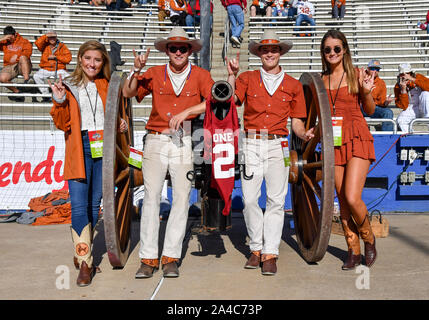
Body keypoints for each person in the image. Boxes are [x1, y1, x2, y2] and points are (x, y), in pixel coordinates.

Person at [123, 27, 215, 279]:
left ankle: (171, 257)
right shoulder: (152, 73)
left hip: (184, 140)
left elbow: (214, 100)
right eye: (172, 48)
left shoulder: (200, 75)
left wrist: (188, 112)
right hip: (155, 139)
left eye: (182, 48)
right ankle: (148, 258)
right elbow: (129, 93)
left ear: (189, 51)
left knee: (182, 199)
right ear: (166, 51)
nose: (177, 52)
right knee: (151, 198)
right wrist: (137, 71)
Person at [226, 30, 314, 275]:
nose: (269, 53)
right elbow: (232, 102)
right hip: (251, 142)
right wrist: (232, 76)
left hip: (279, 145)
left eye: (274, 49)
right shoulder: (247, 78)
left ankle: (270, 253)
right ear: (258, 53)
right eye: (265, 50)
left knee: (276, 201)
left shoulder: (294, 85)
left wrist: (304, 133)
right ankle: (255, 248)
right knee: (250, 199)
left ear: (280, 53)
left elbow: (296, 122)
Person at [49, 40, 127, 286]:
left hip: (102, 146)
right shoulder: (68, 86)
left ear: (103, 62)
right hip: (79, 146)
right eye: (88, 58)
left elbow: (117, 114)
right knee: (79, 205)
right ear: (80, 59)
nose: (92, 64)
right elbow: (62, 124)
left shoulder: (108, 85)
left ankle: (83, 252)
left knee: (95, 203)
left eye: (98, 60)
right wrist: (59, 101)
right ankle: (86, 263)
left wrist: (120, 124)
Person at [320, 29, 377, 270]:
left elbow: (371, 110)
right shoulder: (320, 80)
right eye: (327, 49)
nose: (332, 53)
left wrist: (366, 92)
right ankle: (352, 251)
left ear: (344, 50)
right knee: (342, 200)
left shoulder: (357, 75)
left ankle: (369, 239)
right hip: (333, 142)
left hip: (357, 136)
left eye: (336, 48)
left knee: (353, 197)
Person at [34, 30, 72, 103]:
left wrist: (56, 57)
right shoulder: (44, 45)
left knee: (69, 78)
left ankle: (66, 95)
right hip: (46, 68)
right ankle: (46, 95)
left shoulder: (62, 46)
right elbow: (37, 43)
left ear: (56, 37)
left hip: (59, 69)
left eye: (53, 37)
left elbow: (68, 59)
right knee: (36, 76)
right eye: (50, 37)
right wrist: (46, 35)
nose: (52, 39)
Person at [0, 26, 32, 102]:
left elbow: (28, 53)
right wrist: (2, 39)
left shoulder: (24, 41)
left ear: (14, 34)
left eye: (10, 37)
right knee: (2, 78)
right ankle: (17, 92)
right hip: (9, 66)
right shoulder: (5, 42)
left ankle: (27, 81)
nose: (9, 39)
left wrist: (17, 57)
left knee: (23, 57)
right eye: (7, 38)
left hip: (22, 65)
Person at [395, 63, 429, 133]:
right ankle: (411, 138)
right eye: (402, 74)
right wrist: (403, 90)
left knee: (425, 93)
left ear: (411, 73)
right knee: (401, 120)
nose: (405, 76)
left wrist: (413, 80)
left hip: (425, 107)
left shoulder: (419, 77)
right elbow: (404, 106)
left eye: (407, 73)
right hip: (413, 108)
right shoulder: (398, 86)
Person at [361, 60, 394, 131]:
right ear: (368, 69)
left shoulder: (381, 83)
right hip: (361, 107)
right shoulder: (360, 78)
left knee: (388, 112)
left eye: (377, 69)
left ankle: (387, 138)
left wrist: (386, 102)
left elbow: (381, 103)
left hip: (374, 108)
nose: (375, 71)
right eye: (372, 69)